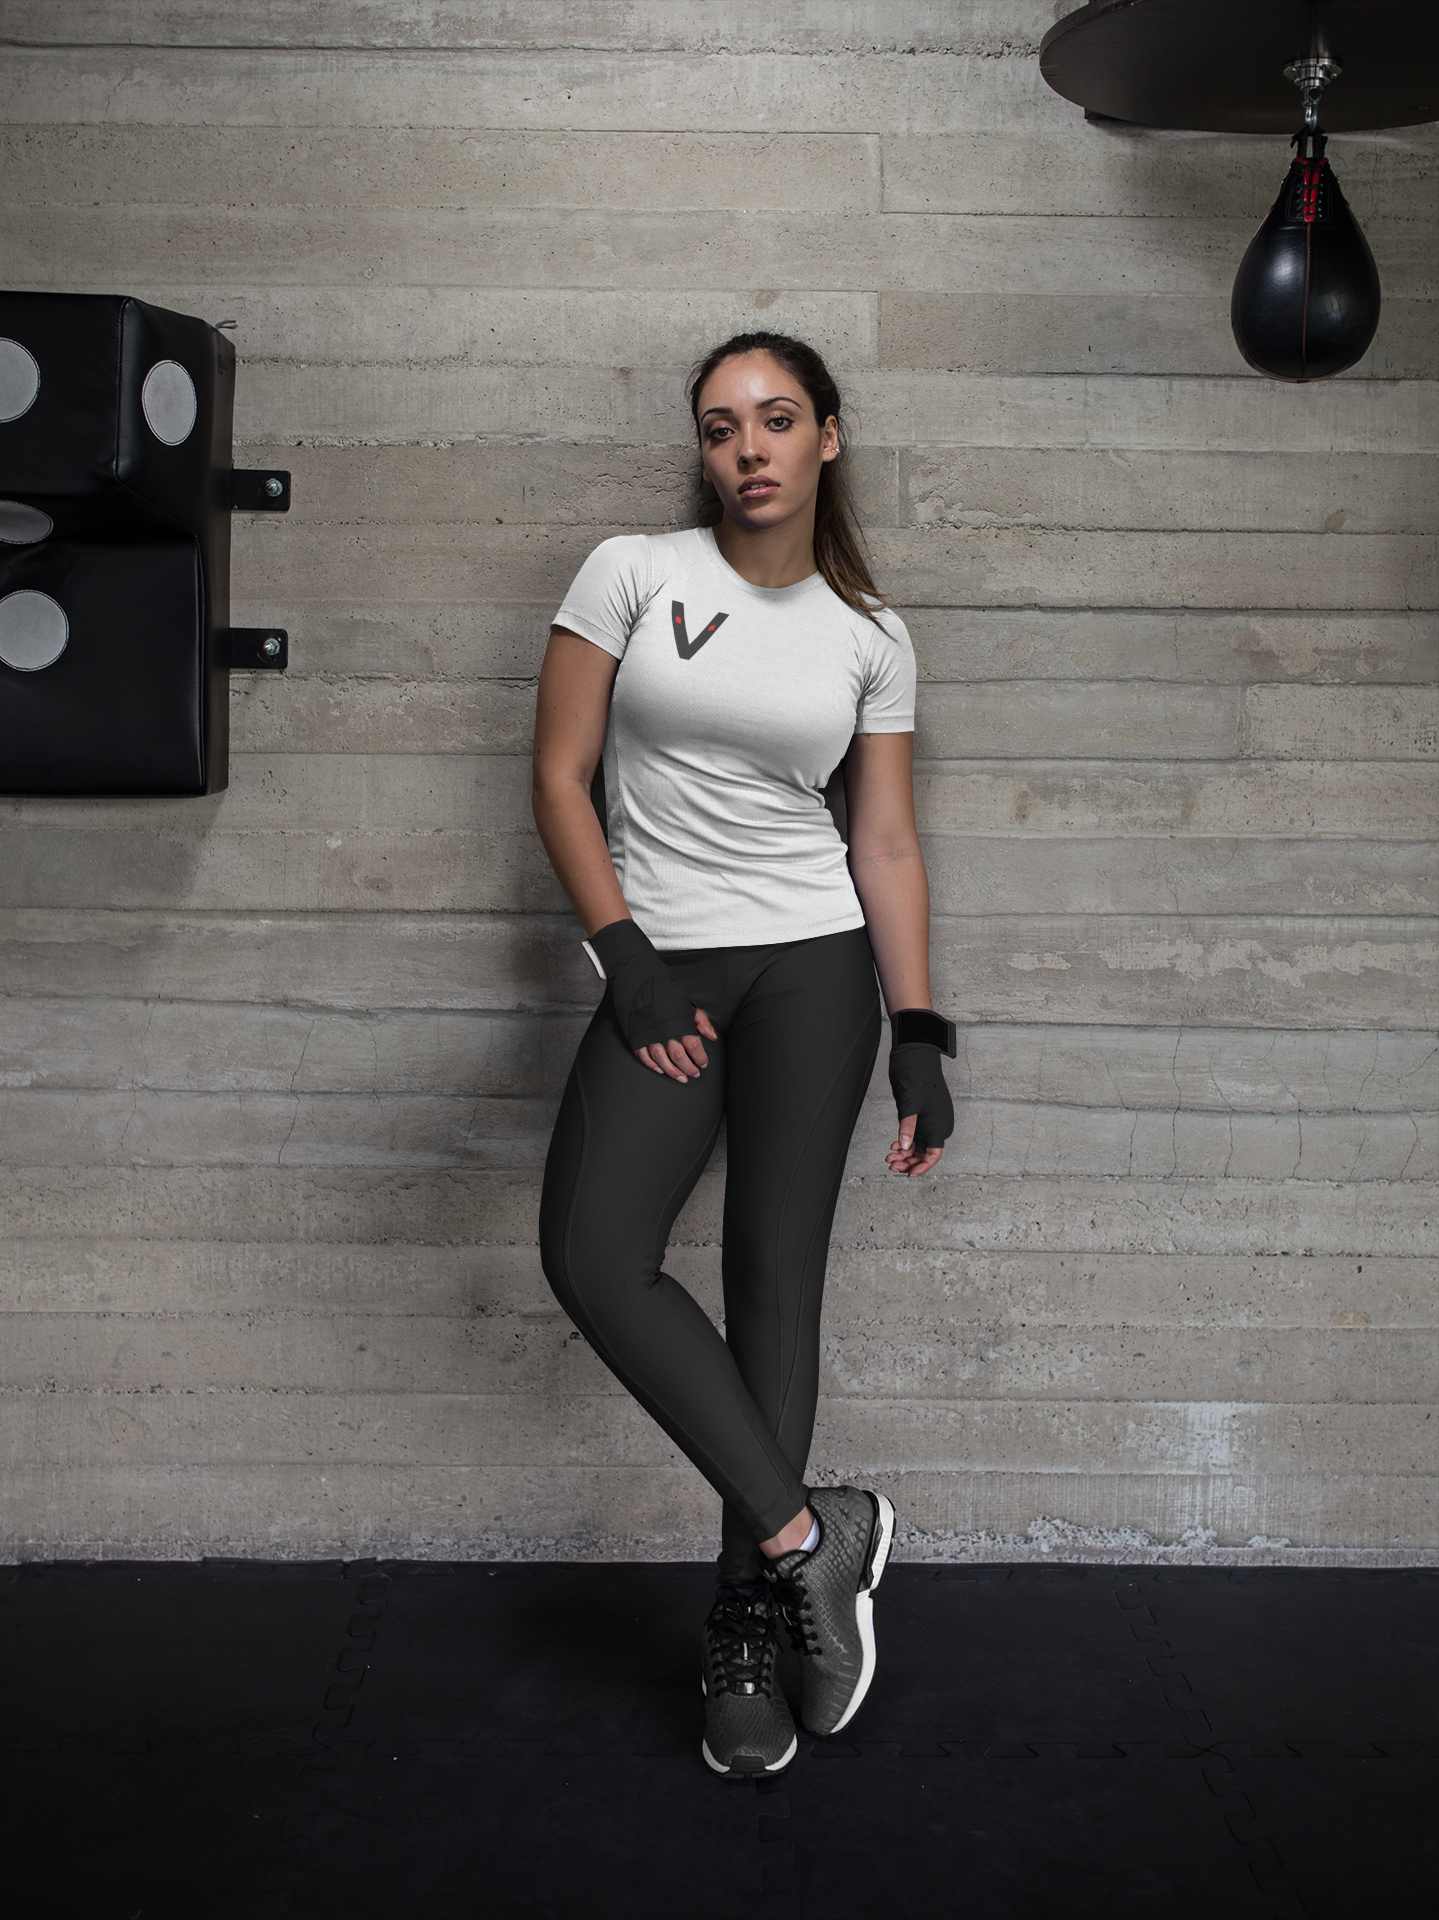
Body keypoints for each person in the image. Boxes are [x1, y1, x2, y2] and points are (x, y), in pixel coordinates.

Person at [532, 331, 957, 1777]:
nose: (748, 449)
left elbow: (883, 840)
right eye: (721, 428)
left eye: (777, 420)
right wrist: (627, 957)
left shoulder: (871, 634)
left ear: (828, 436)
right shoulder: (633, 573)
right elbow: (559, 776)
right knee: (595, 1255)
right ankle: (809, 1538)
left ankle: (749, 1629)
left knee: (776, 1281)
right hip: (665, 964)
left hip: (816, 973)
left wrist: (919, 1034)